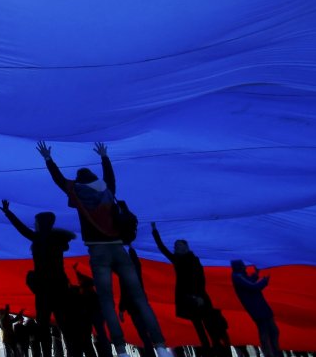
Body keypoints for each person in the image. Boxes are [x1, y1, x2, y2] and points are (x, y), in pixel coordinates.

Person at [38, 141, 170, 357]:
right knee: (139, 298)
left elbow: (59, 180)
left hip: (98, 251)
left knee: (106, 300)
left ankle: (120, 349)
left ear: (79, 181)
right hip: (118, 248)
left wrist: (48, 159)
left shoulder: (77, 193)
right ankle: (161, 346)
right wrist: (104, 157)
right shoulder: (107, 191)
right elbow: (110, 177)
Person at [0, 200, 74, 357]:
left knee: (43, 325)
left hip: (44, 288)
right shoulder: (58, 241)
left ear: (41, 223)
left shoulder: (39, 239)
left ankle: (47, 354)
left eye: (36, 222)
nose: (34, 224)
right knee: (64, 323)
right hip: (60, 286)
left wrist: (8, 213)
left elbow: (21, 229)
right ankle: (74, 352)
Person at [151, 223, 216, 355]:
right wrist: (154, 230)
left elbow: (200, 278)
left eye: (179, 245)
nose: (176, 247)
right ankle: (208, 351)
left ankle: (215, 349)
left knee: (209, 326)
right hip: (187, 297)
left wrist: (199, 296)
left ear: (185, 247)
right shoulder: (177, 259)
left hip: (198, 295)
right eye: (176, 246)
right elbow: (162, 248)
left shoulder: (193, 260)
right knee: (199, 326)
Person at [231, 260, 279, 357]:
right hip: (257, 310)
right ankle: (270, 354)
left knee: (273, 331)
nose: (245, 266)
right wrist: (264, 281)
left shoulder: (240, 276)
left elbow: (250, 282)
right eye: (243, 264)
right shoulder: (237, 276)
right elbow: (253, 286)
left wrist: (256, 274)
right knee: (266, 333)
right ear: (239, 266)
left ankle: (274, 353)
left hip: (261, 308)